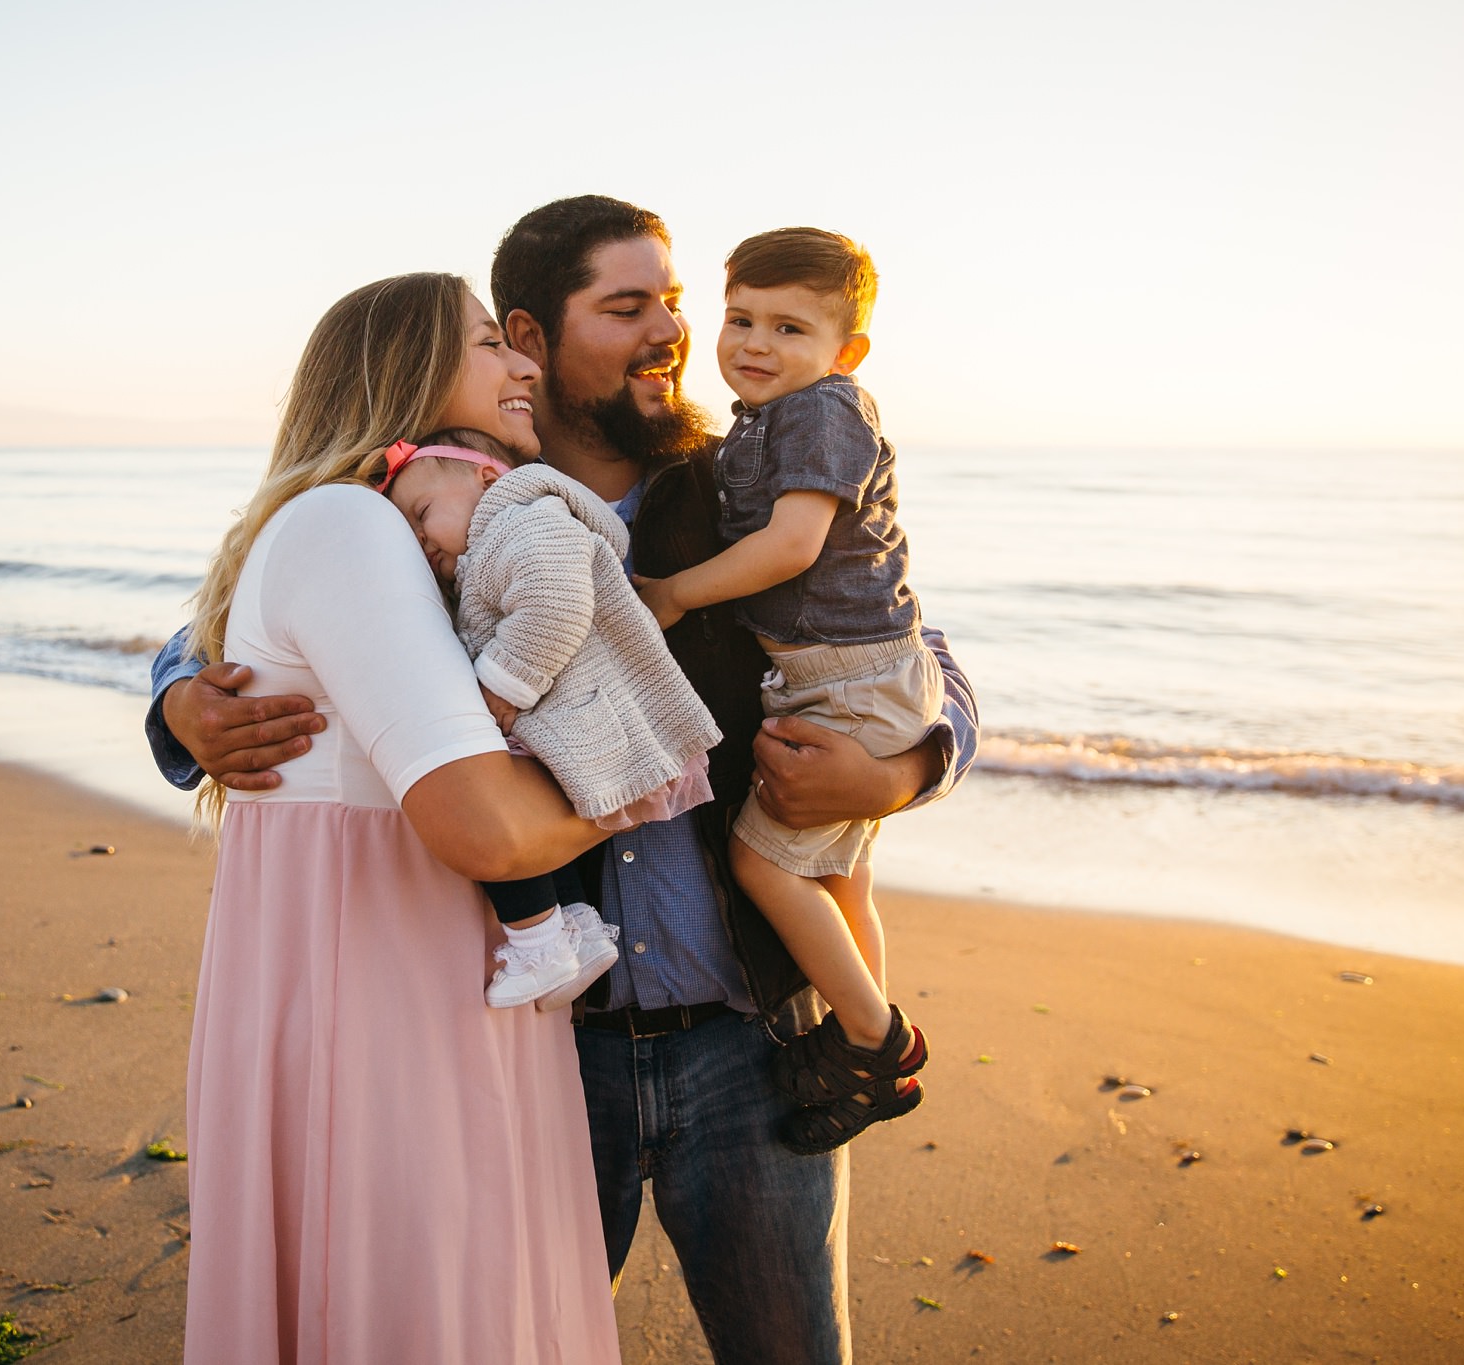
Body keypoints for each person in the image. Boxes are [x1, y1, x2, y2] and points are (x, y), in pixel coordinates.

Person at [150, 198, 979, 1365]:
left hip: (746, 1044)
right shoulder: (440, 504)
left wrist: (900, 768)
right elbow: (277, 597)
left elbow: (910, 649)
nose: (674, 334)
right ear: (530, 339)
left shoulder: (742, 491)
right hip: (542, 1046)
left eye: (677, 304)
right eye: (629, 308)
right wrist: (182, 694)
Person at [173, 271, 621, 1365]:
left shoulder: (382, 522)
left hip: (409, 983)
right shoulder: (351, 526)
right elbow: (486, 831)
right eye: (486, 344)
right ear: (402, 373)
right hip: (389, 1005)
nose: (523, 367)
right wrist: (639, 784)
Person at [633, 227, 938, 1155]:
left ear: (846, 352)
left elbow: (796, 544)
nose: (755, 343)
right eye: (740, 319)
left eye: (789, 328)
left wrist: (677, 592)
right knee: (843, 873)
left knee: (766, 862)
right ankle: (859, 1045)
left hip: (847, 675)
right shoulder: (769, 419)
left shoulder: (824, 411)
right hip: (846, 672)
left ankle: (876, 1043)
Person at [380, 428, 722, 1010]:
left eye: (422, 513)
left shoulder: (522, 518)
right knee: (515, 815)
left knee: (483, 800)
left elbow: (555, 600)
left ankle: (539, 943)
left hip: (588, 717)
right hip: (574, 716)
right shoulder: (493, 538)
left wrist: (498, 687)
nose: (418, 538)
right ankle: (575, 929)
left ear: (486, 478)